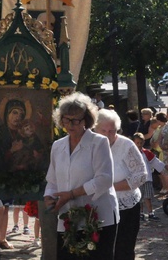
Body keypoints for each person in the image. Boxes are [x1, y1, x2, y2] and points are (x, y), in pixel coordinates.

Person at [44, 93, 119, 260]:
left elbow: (104, 179)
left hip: (98, 217)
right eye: (66, 119)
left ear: (86, 120)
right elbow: (52, 180)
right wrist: (49, 197)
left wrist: (71, 194)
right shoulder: (58, 146)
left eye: (75, 120)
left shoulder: (99, 142)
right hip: (67, 218)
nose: (70, 124)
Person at [95, 109, 146, 260]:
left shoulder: (126, 145)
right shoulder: (91, 145)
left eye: (111, 131)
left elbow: (141, 175)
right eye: (103, 130)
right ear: (95, 129)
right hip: (98, 206)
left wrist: (110, 187)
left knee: (122, 249)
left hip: (126, 206)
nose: (107, 134)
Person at [0, 98, 46, 173]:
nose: (18, 117)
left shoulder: (28, 133)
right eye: (15, 113)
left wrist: (37, 157)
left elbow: (41, 154)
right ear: (7, 114)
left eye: (21, 114)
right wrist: (11, 151)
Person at [132, 132, 163, 221]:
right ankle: (140, 213)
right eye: (137, 143)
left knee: (148, 197)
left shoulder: (146, 153)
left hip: (147, 178)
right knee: (139, 198)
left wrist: (163, 168)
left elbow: (155, 161)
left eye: (141, 143)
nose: (139, 145)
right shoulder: (131, 153)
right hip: (137, 179)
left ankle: (150, 213)